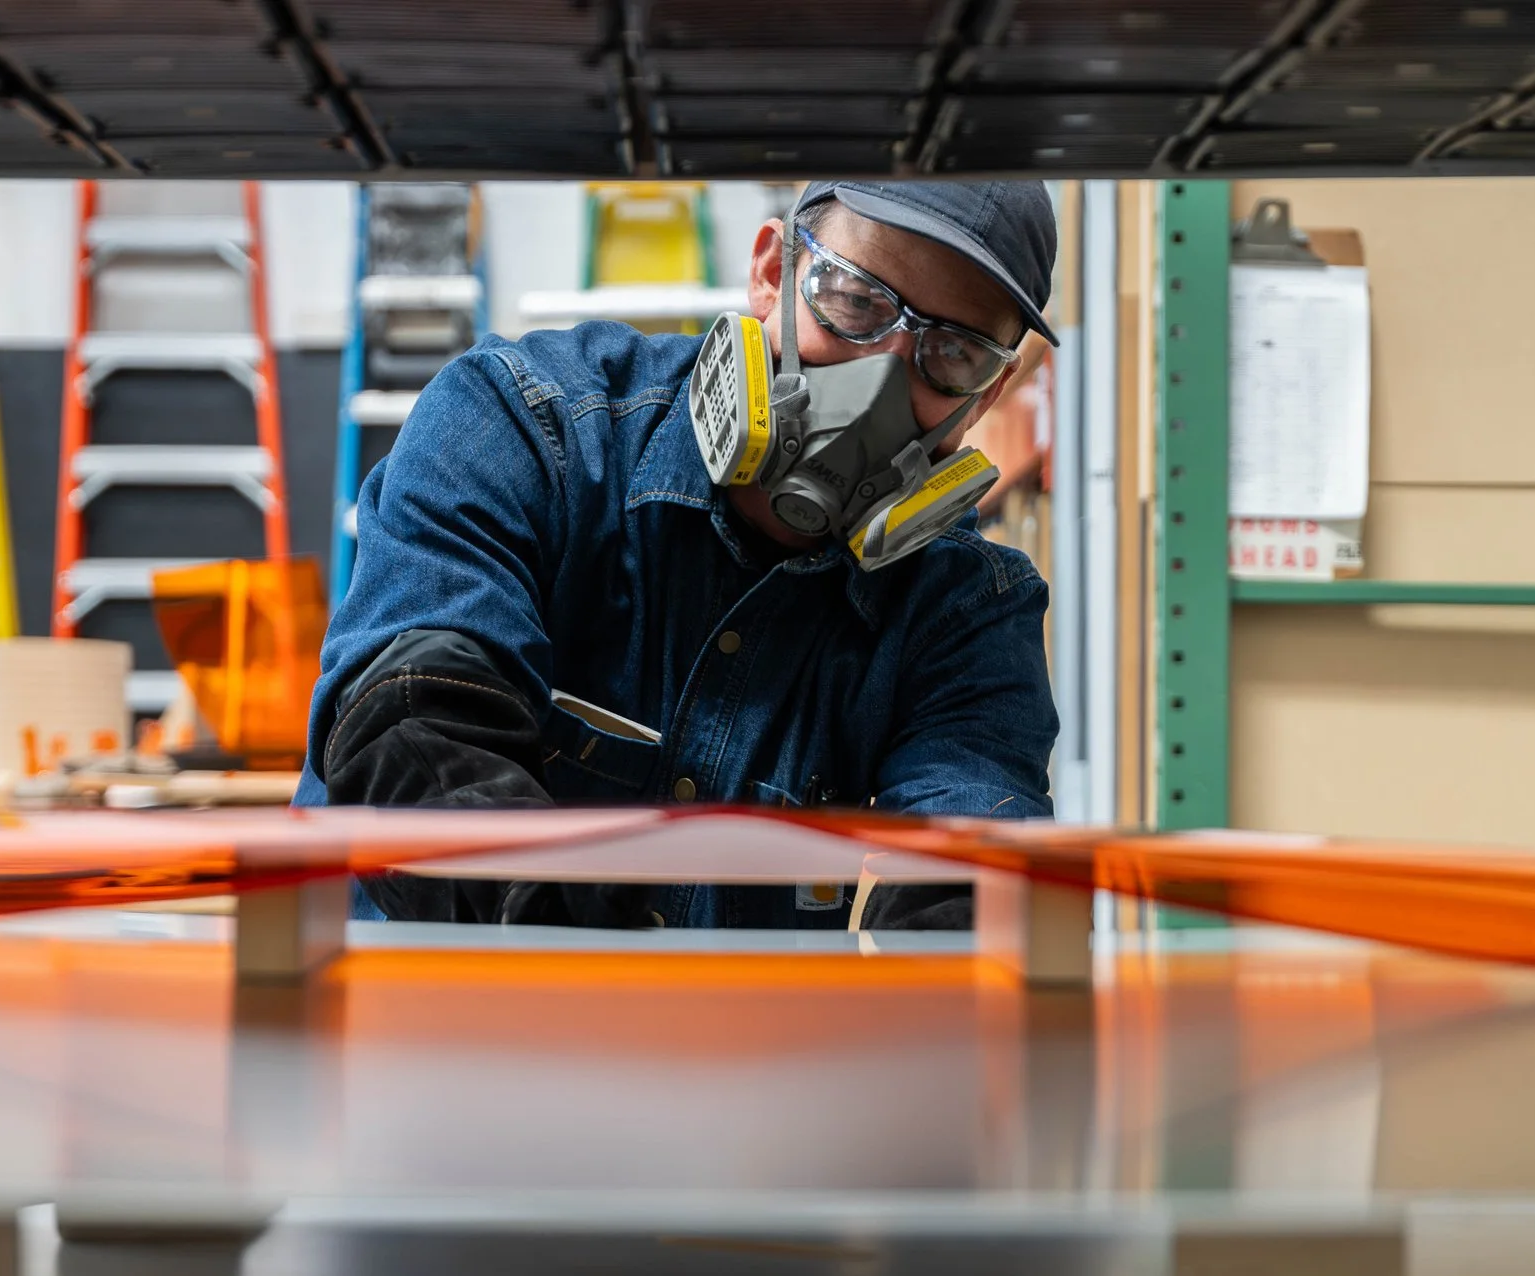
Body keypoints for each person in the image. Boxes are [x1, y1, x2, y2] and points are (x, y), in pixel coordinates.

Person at [295, 180, 1061, 931]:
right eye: (856, 302)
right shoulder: (523, 428)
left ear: (986, 397)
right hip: (405, 1030)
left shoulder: (965, 608)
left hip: (723, 1053)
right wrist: (605, 1003)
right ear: (771, 272)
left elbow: (972, 880)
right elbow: (410, 734)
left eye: (952, 353)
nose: (881, 381)